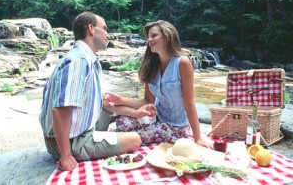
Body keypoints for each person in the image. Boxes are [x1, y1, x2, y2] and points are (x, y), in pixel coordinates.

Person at [39, 12, 144, 172]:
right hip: (67, 142)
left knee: (118, 114)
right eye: (105, 29)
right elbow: (60, 109)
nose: (108, 35)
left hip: (75, 132)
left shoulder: (85, 58)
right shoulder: (79, 61)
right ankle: (71, 150)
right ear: (91, 29)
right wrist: (66, 156)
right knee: (135, 140)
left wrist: (136, 113)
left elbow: (104, 104)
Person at [107, 20, 211, 148]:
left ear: (167, 36)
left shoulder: (182, 63)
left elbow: (189, 103)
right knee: (122, 123)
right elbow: (147, 101)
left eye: (154, 35)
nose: (149, 40)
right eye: (148, 37)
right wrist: (121, 100)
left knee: (131, 137)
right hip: (155, 118)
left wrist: (198, 138)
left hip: (176, 127)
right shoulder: (151, 66)